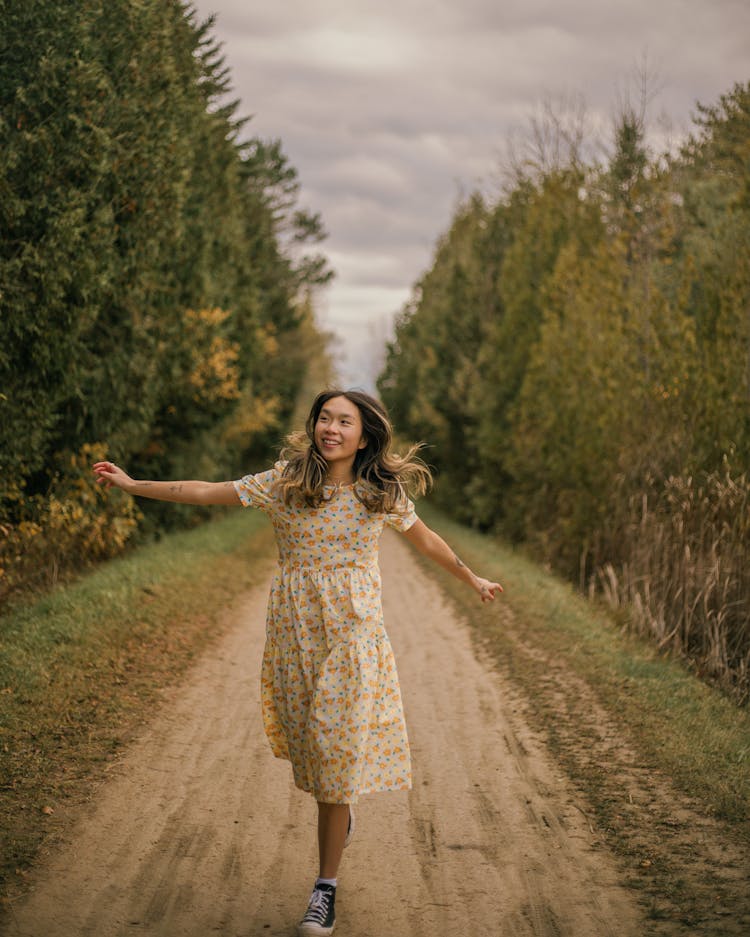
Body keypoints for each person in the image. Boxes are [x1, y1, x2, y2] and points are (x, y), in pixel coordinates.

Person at [94, 388, 502, 936]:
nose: (331, 428)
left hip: (355, 635)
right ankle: (342, 815)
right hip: (296, 634)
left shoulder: (379, 492)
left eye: (344, 421)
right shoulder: (285, 483)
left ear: (366, 435)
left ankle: (324, 889)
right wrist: (133, 485)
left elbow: (426, 542)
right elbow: (205, 490)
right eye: (324, 419)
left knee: (334, 756)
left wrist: (471, 577)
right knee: (315, 755)